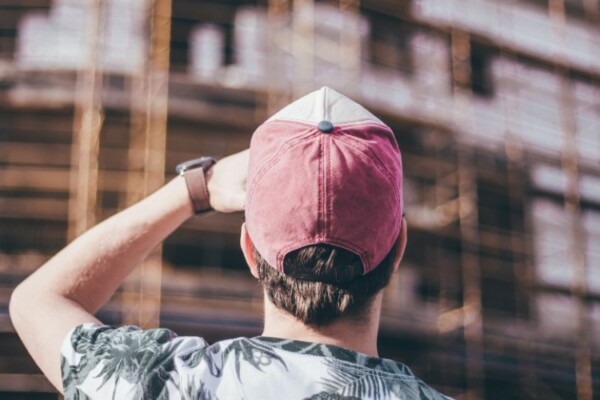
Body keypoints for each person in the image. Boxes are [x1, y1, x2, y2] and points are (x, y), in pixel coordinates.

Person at [10, 87, 451, 399]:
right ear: (397, 252)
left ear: (249, 251)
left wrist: (194, 190)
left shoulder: (164, 385)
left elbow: (37, 300)